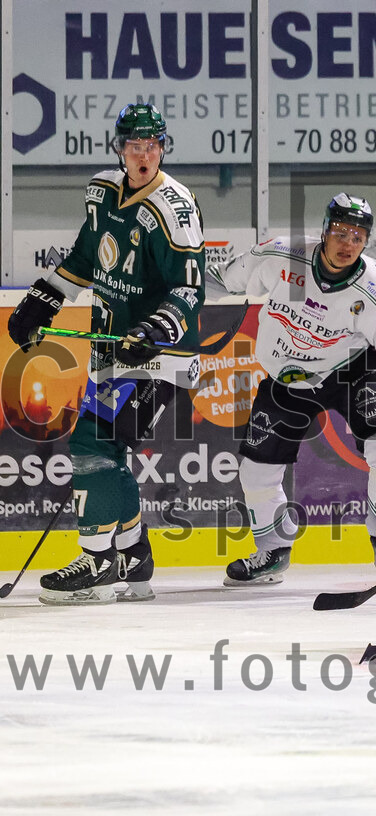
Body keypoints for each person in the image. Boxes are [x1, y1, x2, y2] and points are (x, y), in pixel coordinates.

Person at [206, 192, 376, 589]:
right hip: (288, 379)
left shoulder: (373, 285)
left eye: (358, 237)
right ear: (324, 231)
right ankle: (272, 552)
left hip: (351, 370)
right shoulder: (283, 255)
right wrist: (169, 301)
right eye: (341, 233)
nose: (348, 245)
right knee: (255, 471)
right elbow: (221, 280)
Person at [7, 103, 205, 605]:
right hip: (114, 347)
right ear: (120, 148)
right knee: (105, 449)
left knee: (94, 445)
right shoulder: (101, 191)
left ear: (163, 147)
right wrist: (41, 300)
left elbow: (190, 287)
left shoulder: (175, 207)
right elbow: (83, 258)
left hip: (161, 354)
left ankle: (97, 560)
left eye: (153, 145)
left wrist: (155, 328)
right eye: (135, 145)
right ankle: (133, 555)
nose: (144, 154)